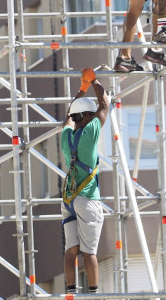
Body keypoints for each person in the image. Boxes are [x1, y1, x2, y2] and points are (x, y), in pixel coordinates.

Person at [61, 68, 110, 293]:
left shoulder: (66, 137)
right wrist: (94, 81)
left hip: (68, 199)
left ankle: (71, 291)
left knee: (72, 249)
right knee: (90, 251)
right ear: (88, 116)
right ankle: (93, 293)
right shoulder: (90, 132)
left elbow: (68, 117)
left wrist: (81, 90)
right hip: (87, 199)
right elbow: (105, 105)